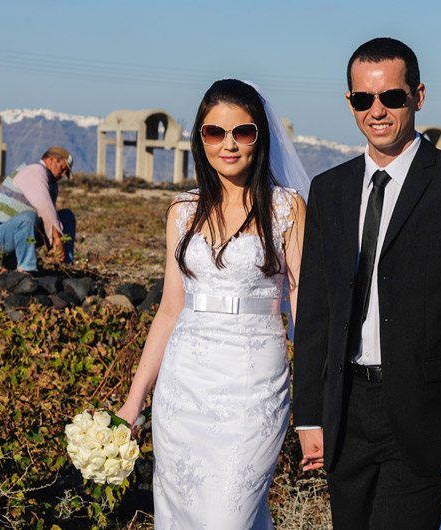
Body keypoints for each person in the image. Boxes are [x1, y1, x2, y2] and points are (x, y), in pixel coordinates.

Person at [293, 37, 441, 529]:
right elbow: (316, 313)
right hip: (345, 412)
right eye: (362, 99)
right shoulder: (329, 190)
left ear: (418, 96)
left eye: (391, 97)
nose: (377, 111)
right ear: (349, 102)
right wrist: (310, 414)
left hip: (423, 414)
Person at [116, 79, 307, 529]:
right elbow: (168, 310)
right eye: (214, 132)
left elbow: (303, 308)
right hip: (183, 392)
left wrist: (315, 409)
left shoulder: (287, 208)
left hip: (254, 387)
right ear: (199, 139)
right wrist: (133, 402)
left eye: (243, 132)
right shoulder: (182, 210)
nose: (228, 144)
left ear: (259, 137)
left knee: (229, 516)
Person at [0, 146, 76, 272]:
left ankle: (66, 267)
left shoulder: (52, 185)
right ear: (52, 159)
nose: (63, 175)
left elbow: (50, 218)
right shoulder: (34, 171)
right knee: (28, 217)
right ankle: (26, 270)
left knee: (66, 216)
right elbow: (44, 207)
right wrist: (57, 240)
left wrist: (54, 247)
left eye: (66, 173)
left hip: (23, 233)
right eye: (63, 169)